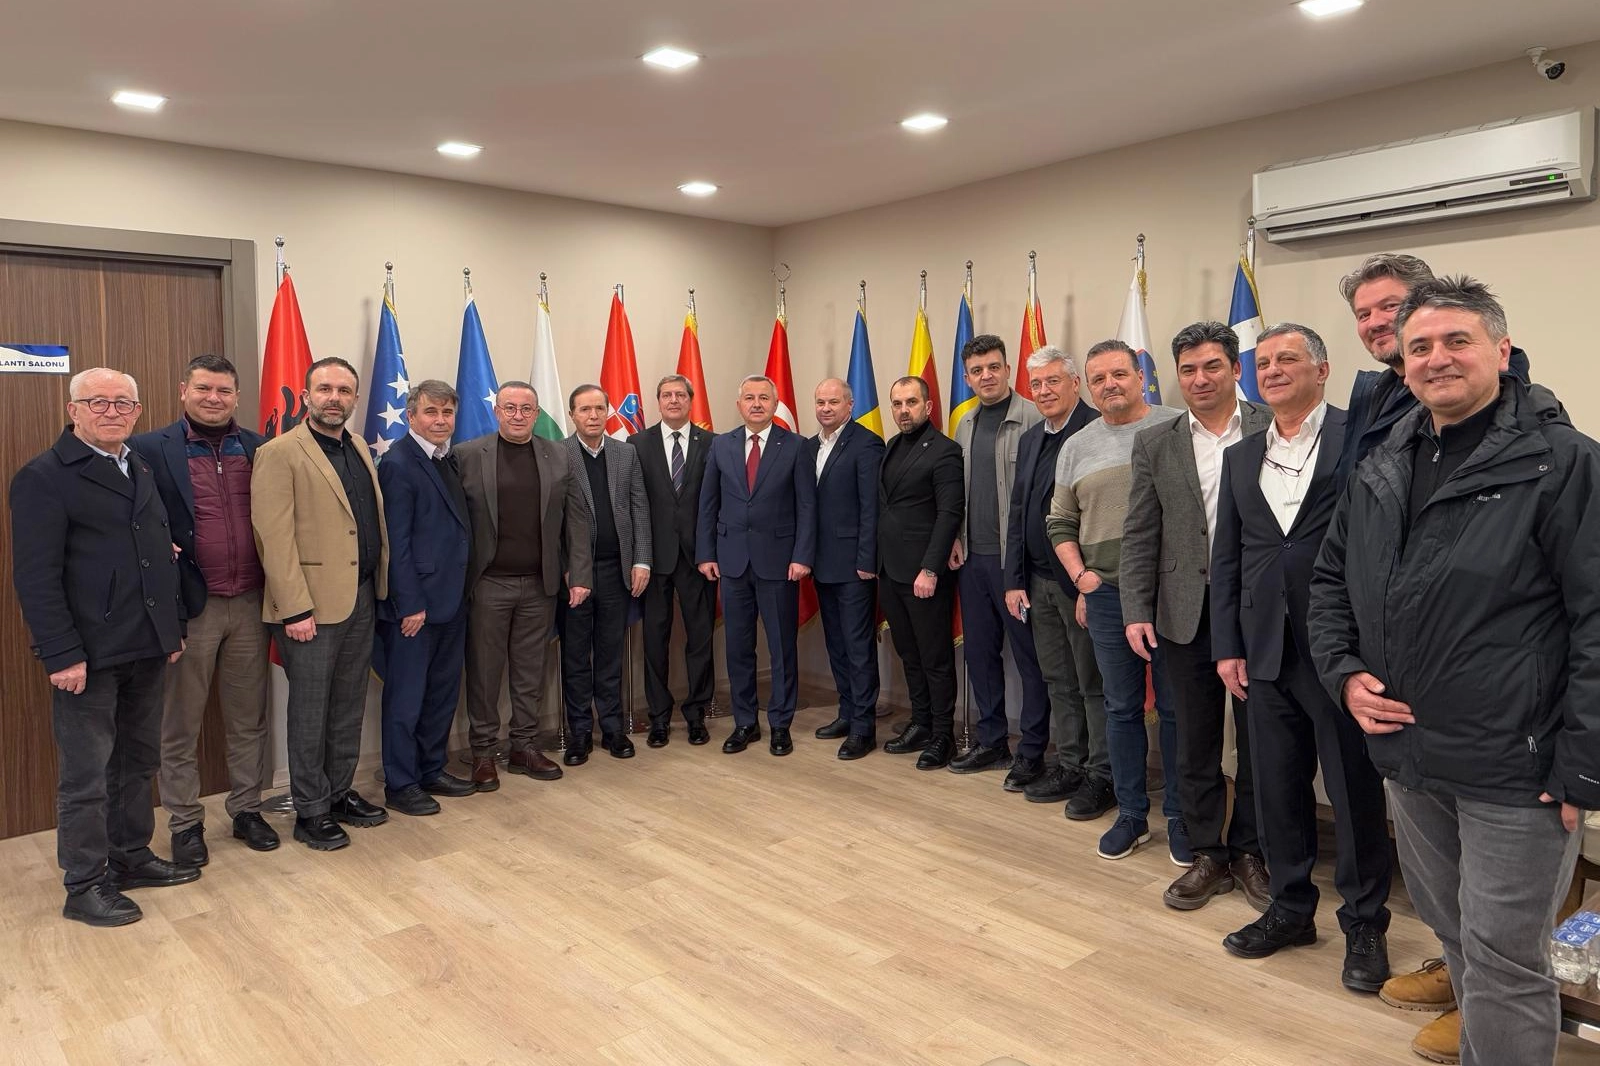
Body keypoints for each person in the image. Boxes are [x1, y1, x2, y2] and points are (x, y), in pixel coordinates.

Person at [1310, 276, 1600, 1066]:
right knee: (1456, 935)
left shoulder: (1562, 463)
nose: (1436, 358)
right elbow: (1331, 583)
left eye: (1456, 341)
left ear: (1501, 352)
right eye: (1420, 347)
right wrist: (1343, 674)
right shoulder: (1382, 466)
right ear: (1402, 366)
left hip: (1519, 768)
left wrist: (1583, 765)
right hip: (1410, 759)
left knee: (1505, 960)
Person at [1210, 324, 1392, 992]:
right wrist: (1227, 645)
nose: (1273, 370)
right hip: (1262, 649)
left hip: (1340, 649)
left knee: (1352, 791)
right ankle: (1289, 909)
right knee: (1276, 789)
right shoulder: (1241, 455)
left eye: (1287, 358)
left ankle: (1366, 923)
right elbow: (1228, 555)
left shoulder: (1359, 434)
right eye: (1262, 362)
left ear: (1322, 368)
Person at [11, 368, 197, 926]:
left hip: (146, 644)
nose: (112, 411)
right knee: (87, 777)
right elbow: (36, 577)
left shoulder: (139, 465)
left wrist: (171, 629)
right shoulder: (44, 477)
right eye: (98, 402)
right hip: (87, 655)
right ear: (73, 410)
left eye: (123, 403)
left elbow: (158, 553)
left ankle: (131, 855)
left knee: (138, 763)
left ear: (137, 411)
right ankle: (85, 883)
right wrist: (61, 653)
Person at [1120, 322, 1270, 907]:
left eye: (1212, 366)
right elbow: (1140, 532)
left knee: (1260, 737)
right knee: (1194, 739)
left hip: (1259, 611)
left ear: (1236, 368)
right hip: (1186, 610)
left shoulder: (1271, 425)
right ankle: (1209, 852)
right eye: (1188, 369)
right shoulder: (1155, 442)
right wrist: (1137, 608)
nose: (1200, 379)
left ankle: (1252, 850)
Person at [129, 354, 277, 860]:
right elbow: (132, 520)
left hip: (252, 603)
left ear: (237, 397)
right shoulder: (148, 448)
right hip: (190, 608)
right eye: (203, 389)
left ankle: (248, 809)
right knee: (180, 724)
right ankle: (185, 822)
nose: (214, 398)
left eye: (223, 391)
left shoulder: (259, 447)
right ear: (183, 391)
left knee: (248, 719)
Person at [1047, 340, 1183, 861]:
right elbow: (1060, 520)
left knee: (1176, 709)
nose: (1110, 385)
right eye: (1099, 378)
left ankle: (1182, 817)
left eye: (1119, 374)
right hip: (1106, 594)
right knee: (1120, 708)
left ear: (1140, 376)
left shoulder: (1176, 426)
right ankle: (1132, 815)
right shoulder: (1077, 445)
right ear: (1089, 386)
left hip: (1172, 592)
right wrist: (1081, 578)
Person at [253, 356, 390, 851]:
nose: (335, 398)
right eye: (325, 389)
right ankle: (310, 810)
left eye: (344, 390)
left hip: (360, 597)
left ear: (355, 398)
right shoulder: (279, 452)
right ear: (307, 395)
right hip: (309, 607)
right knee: (311, 712)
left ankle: (338, 793)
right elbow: (273, 537)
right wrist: (294, 608)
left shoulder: (358, 446)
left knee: (348, 706)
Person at [456, 382, 592, 790]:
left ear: (537, 413)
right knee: (485, 673)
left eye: (526, 408)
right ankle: (483, 752)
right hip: (487, 585)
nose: (518, 415)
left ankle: (524, 747)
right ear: (497, 411)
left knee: (530, 672)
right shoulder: (467, 455)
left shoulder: (559, 456)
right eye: (510, 407)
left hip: (539, 585)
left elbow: (576, 520)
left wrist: (579, 573)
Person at [1003, 346, 1113, 820]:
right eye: (1037, 384)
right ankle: (1070, 764)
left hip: (1080, 583)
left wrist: (1088, 586)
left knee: (1093, 682)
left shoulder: (1096, 430)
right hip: (1037, 582)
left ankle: (1102, 774)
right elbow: (1019, 511)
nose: (1044, 391)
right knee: (1058, 680)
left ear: (1075, 384)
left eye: (1053, 381)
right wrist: (1014, 578)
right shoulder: (1031, 438)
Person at [696, 375, 816, 756]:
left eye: (764, 397)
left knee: (781, 647)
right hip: (731, 562)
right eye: (749, 397)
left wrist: (802, 556)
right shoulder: (721, 445)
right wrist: (706, 553)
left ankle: (780, 724)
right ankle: (745, 723)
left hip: (779, 563)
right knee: (738, 647)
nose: (756, 403)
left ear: (775, 404)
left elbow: (807, 506)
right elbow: (708, 504)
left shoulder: (795, 446)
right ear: (739, 405)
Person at [374, 380, 476, 817]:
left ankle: (432, 768)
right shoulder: (399, 463)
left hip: (452, 600)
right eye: (431, 412)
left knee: (441, 694)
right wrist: (410, 603)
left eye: (447, 413)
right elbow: (395, 543)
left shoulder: (446, 458)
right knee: (406, 698)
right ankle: (401, 783)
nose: (440, 420)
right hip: (415, 608)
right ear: (411, 416)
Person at [949, 335, 1046, 781]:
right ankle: (991, 742)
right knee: (980, 654)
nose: (985, 376)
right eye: (976, 370)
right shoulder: (965, 423)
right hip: (973, 560)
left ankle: (1033, 750)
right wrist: (957, 537)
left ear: (1009, 369)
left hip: (1017, 564)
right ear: (967, 378)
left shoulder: (1034, 417)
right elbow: (961, 491)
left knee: (1030, 659)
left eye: (993, 367)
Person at [878, 377, 965, 770]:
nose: (903, 410)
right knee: (909, 654)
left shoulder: (945, 451)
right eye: (897, 404)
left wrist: (930, 568)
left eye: (911, 402)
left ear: (928, 407)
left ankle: (943, 736)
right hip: (890, 570)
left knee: (934, 657)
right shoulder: (891, 447)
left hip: (924, 573)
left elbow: (949, 514)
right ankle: (921, 723)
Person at [561, 384, 651, 763]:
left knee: (611, 653)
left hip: (617, 572)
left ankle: (613, 729)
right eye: (585, 409)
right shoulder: (558, 454)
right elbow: (552, 520)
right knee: (576, 656)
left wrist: (641, 560)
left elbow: (639, 508)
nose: (593, 415)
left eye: (599, 408)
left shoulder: (625, 453)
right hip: (576, 577)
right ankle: (580, 732)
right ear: (572, 415)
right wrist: (566, 569)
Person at [629, 375, 714, 747]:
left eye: (681, 394)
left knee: (700, 640)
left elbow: (716, 502)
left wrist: (710, 552)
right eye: (667, 395)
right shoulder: (637, 444)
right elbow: (633, 504)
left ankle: (697, 715)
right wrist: (639, 557)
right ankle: (659, 718)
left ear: (691, 401)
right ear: (658, 401)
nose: (674, 400)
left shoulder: (712, 443)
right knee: (654, 642)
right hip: (654, 558)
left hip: (699, 559)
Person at [804, 378, 885, 759]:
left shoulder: (867, 444)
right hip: (821, 564)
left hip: (854, 566)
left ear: (849, 405)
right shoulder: (809, 447)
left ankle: (864, 727)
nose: (826, 408)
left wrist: (867, 560)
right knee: (836, 644)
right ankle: (847, 712)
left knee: (857, 647)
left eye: (833, 402)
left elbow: (872, 508)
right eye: (820, 402)